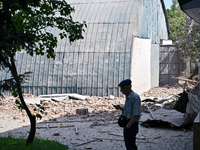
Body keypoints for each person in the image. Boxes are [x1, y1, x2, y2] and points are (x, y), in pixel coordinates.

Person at [113, 79, 141, 150]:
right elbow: (129, 111)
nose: (121, 91)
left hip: (131, 125)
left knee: (131, 145)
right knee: (128, 145)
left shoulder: (135, 98)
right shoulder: (129, 97)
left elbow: (136, 114)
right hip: (127, 124)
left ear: (127, 88)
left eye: (122, 89)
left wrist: (129, 125)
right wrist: (120, 108)